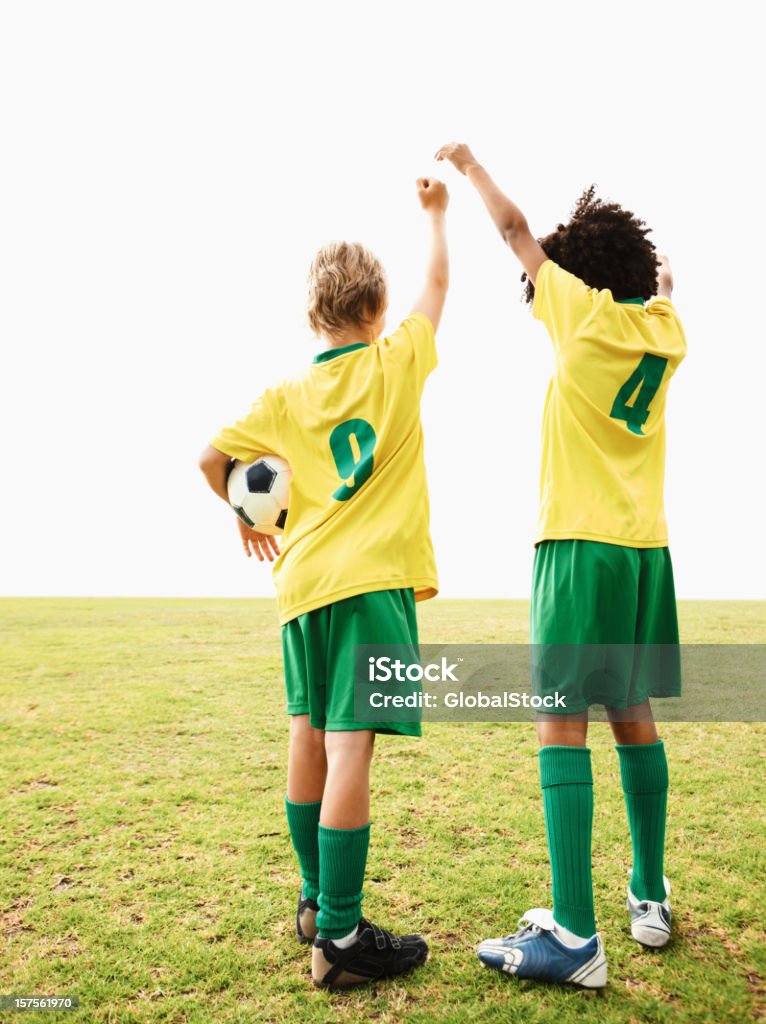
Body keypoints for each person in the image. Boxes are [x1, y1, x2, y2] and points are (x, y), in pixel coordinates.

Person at [436, 142, 686, 988]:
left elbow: (513, 231)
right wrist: (658, 280)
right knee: (631, 706)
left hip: (577, 547)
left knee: (559, 718)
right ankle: (647, 895)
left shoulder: (578, 314)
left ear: (581, 272)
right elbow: (666, 292)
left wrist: (469, 166)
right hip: (645, 549)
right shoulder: (664, 330)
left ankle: (574, 935)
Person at [198, 177, 449, 989]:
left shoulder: (284, 396)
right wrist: (437, 216)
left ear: (317, 317)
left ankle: (314, 901)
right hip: (372, 586)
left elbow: (210, 458)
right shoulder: (398, 359)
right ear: (377, 309)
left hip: (301, 587)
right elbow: (439, 284)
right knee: (351, 751)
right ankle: (338, 939)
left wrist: (245, 512)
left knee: (308, 739)